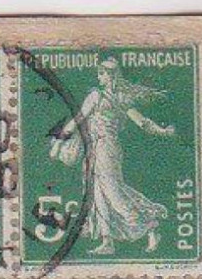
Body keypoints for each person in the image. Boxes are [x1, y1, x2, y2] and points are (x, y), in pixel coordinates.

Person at [53, 58, 175, 256]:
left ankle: (150, 226)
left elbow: (142, 122)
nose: (98, 77)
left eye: (101, 73)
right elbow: (79, 119)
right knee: (96, 193)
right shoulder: (100, 96)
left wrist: (163, 132)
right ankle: (107, 241)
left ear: (111, 75)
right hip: (94, 147)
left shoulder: (109, 97)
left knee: (112, 191)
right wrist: (60, 141)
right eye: (99, 73)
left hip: (107, 149)